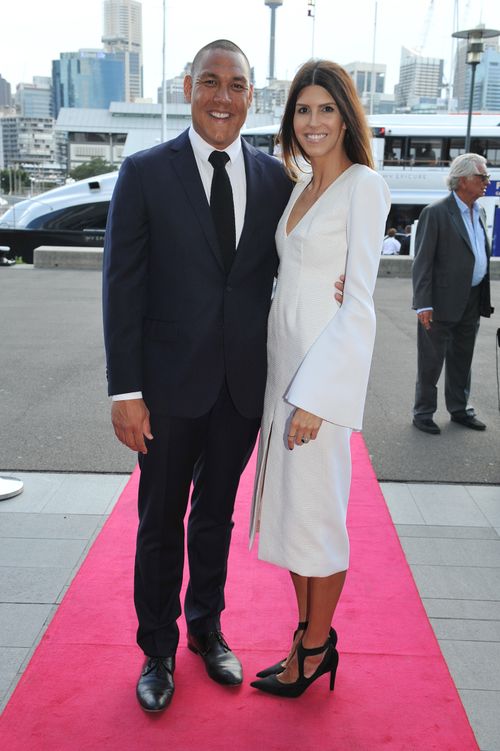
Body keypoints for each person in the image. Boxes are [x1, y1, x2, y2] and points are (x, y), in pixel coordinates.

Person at [102, 39, 345, 713]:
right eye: (210, 81)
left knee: (215, 515)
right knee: (159, 521)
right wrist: (124, 391)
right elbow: (122, 287)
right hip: (167, 390)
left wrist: (341, 281)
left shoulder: (276, 181)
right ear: (187, 88)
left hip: (242, 389)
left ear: (251, 98)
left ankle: (206, 627)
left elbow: (303, 260)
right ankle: (157, 645)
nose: (222, 96)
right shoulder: (145, 172)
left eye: (237, 85)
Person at [249, 60, 390, 698]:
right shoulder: (301, 185)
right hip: (284, 374)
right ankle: (304, 637)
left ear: (345, 116)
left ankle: (315, 649)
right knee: (293, 516)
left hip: (317, 387)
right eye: (303, 110)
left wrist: (318, 397)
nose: (313, 122)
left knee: (320, 518)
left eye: (326, 110)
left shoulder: (363, 185)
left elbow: (358, 304)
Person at [412, 153, 494, 435]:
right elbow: (422, 263)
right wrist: (423, 305)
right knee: (431, 362)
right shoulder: (435, 213)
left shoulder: (479, 211)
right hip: (440, 301)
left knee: (463, 358)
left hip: (471, 299)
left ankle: (459, 409)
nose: (487, 181)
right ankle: (423, 413)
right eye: (482, 176)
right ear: (463, 180)